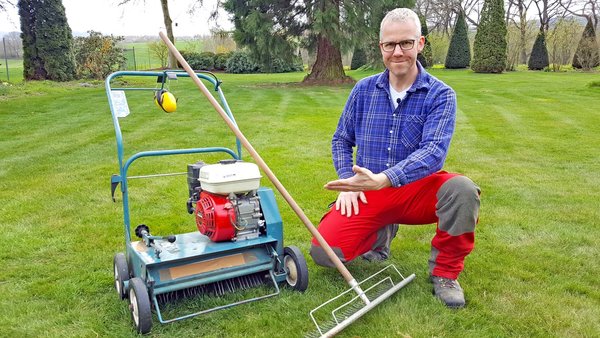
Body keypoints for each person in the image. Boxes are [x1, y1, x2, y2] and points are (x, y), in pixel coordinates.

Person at [309, 8, 481, 309]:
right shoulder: (363, 90)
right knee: (325, 253)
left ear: (421, 43)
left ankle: (445, 273)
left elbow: (433, 153)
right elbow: (341, 139)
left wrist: (386, 179)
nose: (397, 51)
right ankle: (380, 235)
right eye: (390, 44)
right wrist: (350, 182)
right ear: (381, 48)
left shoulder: (441, 95)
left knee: (463, 190)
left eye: (406, 43)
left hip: (417, 190)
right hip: (369, 191)